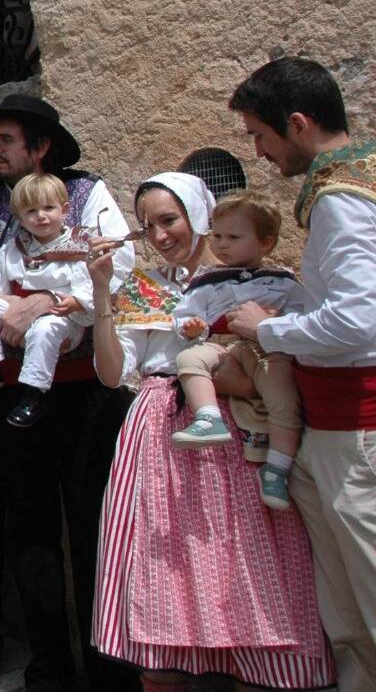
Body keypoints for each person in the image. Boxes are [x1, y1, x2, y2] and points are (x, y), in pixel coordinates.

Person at [86, 172, 333, 689]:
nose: (159, 236)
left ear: (201, 216)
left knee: (247, 564)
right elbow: (113, 375)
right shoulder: (143, 287)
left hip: (241, 428)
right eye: (148, 225)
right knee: (165, 564)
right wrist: (103, 290)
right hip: (161, 430)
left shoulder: (263, 284)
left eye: (169, 220)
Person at [0, 92, 136, 692]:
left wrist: (49, 303)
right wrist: (1, 315)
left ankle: (109, 667)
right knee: (29, 526)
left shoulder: (86, 193)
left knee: (95, 521)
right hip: (13, 391)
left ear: (40, 147)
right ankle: (50, 664)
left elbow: (119, 265)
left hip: (86, 390)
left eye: (4, 141)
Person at [225, 56, 376, 685]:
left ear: (297, 123)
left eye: (260, 136)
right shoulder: (349, 183)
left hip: (355, 433)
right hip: (331, 429)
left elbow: (361, 322)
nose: (258, 153)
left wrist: (269, 330)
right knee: (347, 611)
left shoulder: (343, 202)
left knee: (366, 595)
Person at [168, 190, 303, 510]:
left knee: (282, 392)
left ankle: (278, 466)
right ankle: (207, 416)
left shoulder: (282, 280)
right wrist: (191, 327)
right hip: (221, 347)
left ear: (265, 243)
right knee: (189, 358)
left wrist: (279, 320)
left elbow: (301, 314)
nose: (222, 244)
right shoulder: (206, 280)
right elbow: (184, 314)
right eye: (217, 235)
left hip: (263, 349)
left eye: (233, 236)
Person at [0, 171, 95, 427]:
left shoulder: (77, 248)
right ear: (20, 218)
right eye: (31, 211)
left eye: (48, 208)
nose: (40, 216)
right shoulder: (15, 248)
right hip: (20, 314)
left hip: (62, 318)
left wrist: (77, 302)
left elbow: (88, 286)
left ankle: (34, 393)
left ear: (65, 209)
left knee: (45, 329)